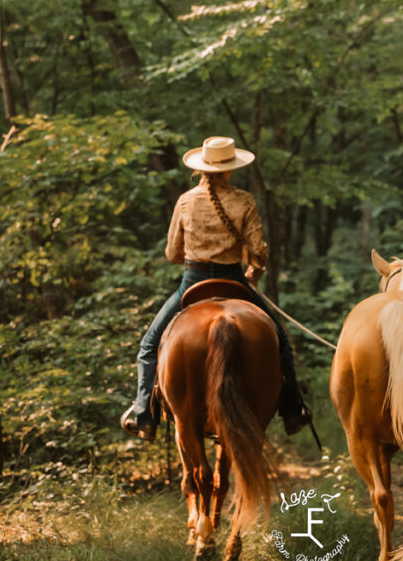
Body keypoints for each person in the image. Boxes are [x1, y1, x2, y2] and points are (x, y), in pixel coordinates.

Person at [121, 136, 312, 441]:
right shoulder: (244, 200)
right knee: (280, 342)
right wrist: (253, 271)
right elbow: (259, 251)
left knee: (149, 345)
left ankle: (144, 412)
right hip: (234, 279)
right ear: (230, 169)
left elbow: (172, 253)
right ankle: (292, 409)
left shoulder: (185, 200)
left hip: (192, 281)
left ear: (202, 168)